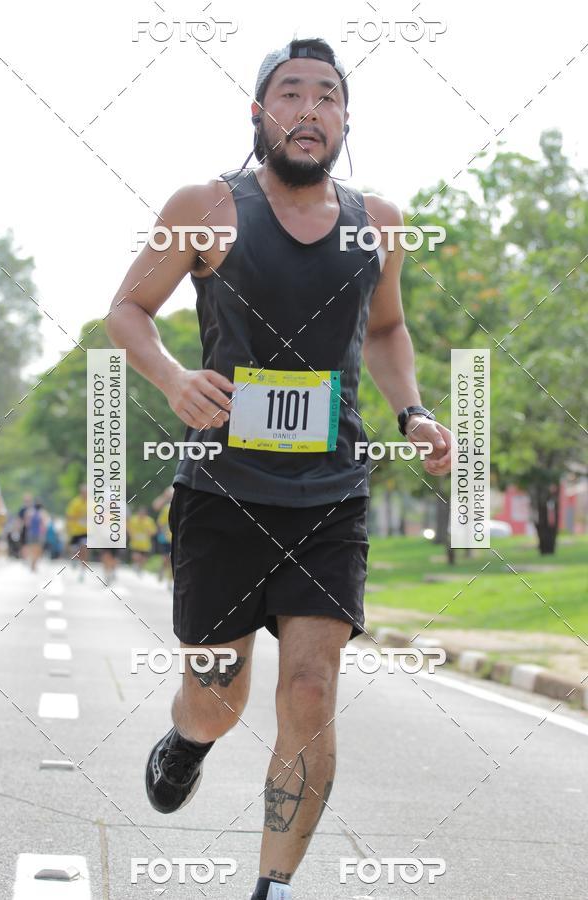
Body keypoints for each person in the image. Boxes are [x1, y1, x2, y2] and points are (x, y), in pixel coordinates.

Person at [106, 37, 451, 900]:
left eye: (327, 96)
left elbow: (384, 328)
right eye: (290, 93)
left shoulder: (381, 221)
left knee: (309, 683)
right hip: (222, 493)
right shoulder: (206, 206)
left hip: (328, 492)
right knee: (217, 695)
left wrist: (411, 410)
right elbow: (128, 310)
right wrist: (175, 378)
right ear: (259, 113)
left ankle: (275, 887)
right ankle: (190, 739)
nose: (309, 109)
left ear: (344, 120)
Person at [152, 487, 173, 587]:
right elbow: (160, 522)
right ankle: (162, 569)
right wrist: (161, 533)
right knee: (166, 558)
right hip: (167, 537)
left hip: (177, 538)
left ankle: (170, 580)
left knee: (173, 559)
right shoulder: (167, 508)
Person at [66, 484, 88, 578]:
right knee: (74, 549)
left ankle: (82, 570)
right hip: (75, 531)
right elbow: (69, 516)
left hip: (86, 532)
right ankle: (74, 559)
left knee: (84, 549)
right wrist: (69, 527)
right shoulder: (75, 503)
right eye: (84, 493)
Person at [127, 506, 157, 572]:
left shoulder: (149, 521)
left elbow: (154, 531)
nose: (141, 515)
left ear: (145, 514)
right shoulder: (133, 519)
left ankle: (139, 567)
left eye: (143, 513)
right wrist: (131, 534)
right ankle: (135, 564)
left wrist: (150, 532)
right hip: (135, 543)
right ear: (138, 513)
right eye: (140, 513)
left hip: (145, 544)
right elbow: (128, 527)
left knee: (144, 559)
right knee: (136, 555)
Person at [24, 500, 48, 572]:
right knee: (38, 550)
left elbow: (27, 524)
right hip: (38, 534)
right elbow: (44, 525)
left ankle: (32, 563)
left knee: (31, 549)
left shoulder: (29, 512)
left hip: (31, 533)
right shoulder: (42, 513)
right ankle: (34, 564)